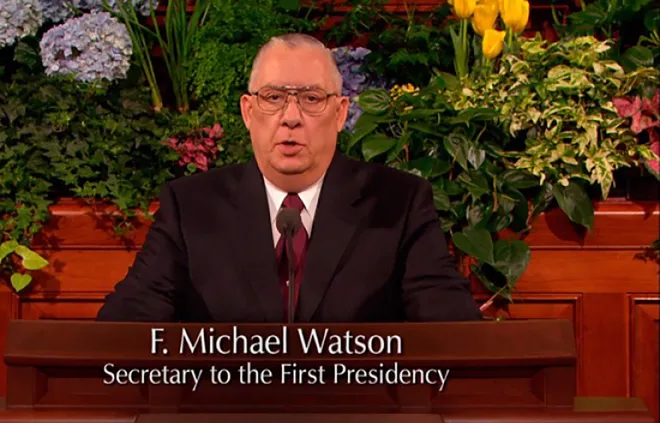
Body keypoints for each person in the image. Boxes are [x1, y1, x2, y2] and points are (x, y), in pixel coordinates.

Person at [96, 33, 482, 323]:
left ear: (340, 113)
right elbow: (123, 328)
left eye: (311, 99)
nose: (291, 117)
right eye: (274, 98)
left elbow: (452, 329)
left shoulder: (399, 203)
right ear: (248, 112)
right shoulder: (191, 207)